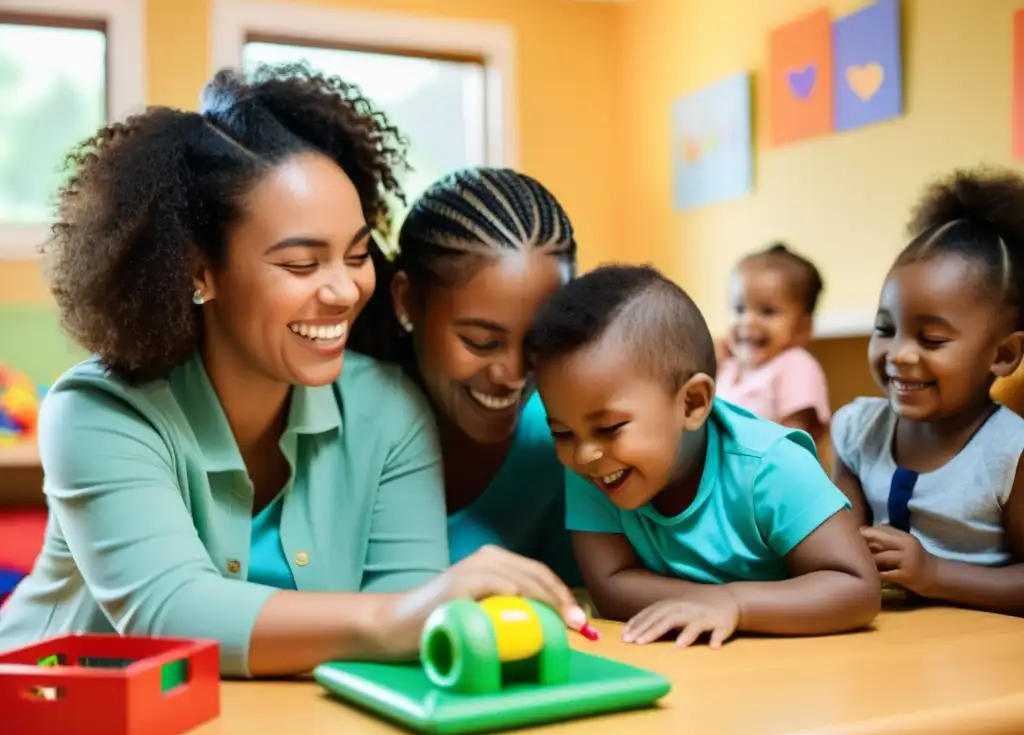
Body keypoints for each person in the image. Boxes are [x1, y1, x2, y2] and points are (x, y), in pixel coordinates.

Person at [0, 63, 583, 678]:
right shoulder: (99, 413)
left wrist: (418, 615)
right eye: (303, 264)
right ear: (200, 270)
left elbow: (410, 634)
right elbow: (169, 611)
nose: (344, 291)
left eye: (357, 255)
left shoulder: (388, 411)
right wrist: (401, 615)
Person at [524, 264, 880, 647]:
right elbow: (610, 587)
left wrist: (734, 604)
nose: (585, 453)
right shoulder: (596, 470)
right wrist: (701, 604)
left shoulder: (771, 466)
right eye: (562, 432)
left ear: (692, 403)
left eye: (609, 428)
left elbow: (856, 587)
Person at [349, 167, 582, 587]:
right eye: (480, 342)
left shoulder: (560, 442)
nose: (512, 375)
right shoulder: (345, 421)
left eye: (538, 342)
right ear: (407, 302)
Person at [831, 167, 1024, 615]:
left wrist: (935, 575)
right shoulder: (858, 431)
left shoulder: (1010, 452)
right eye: (885, 329)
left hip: (977, 655)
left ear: (1004, 355)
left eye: (932, 340)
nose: (899, 354)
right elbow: (837, 551)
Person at [716, 243, 831, 443]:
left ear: (802, 327)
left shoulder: (794, 364)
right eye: (739, 309)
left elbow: (794, 442)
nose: (748, 321)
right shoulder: (729, 367)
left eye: (767, 311)